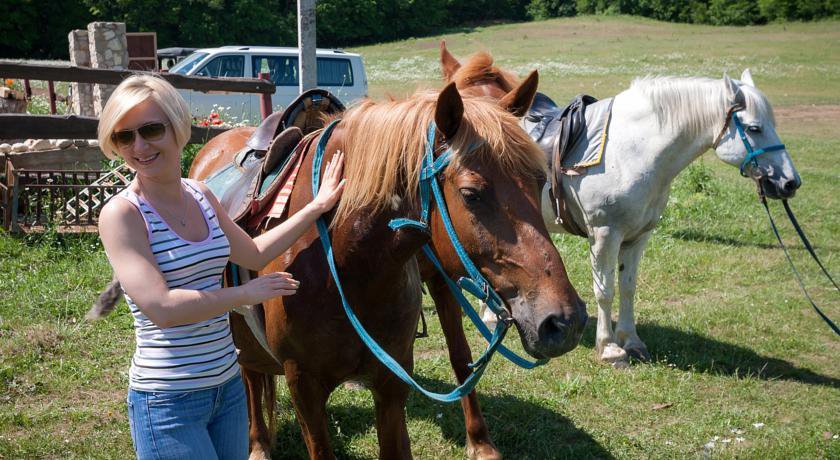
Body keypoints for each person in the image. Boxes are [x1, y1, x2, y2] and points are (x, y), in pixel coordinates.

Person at [96, 75, 345, 460]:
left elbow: (254, 254)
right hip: (168, 400)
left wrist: (316, 207)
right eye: (124, 137)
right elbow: (161, 307)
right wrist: (245, 294)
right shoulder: (123, 214)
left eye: (150, 130)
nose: (139, 146)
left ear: (178, 127)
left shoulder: (200, 194)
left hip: (228, 390)